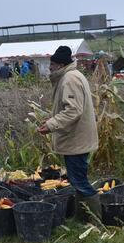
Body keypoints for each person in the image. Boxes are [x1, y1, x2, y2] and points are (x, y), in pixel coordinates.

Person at [37, 46, 100, 223]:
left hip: (76, 139)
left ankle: (95, 220)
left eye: (52, 64)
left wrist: (51, 125)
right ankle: (83, 217)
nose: (49, 68)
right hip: (76, 137)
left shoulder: (69, 79)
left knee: (80, 181)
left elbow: (73, 111)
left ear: (60, 64)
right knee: (77, 179)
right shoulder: (72, 76)